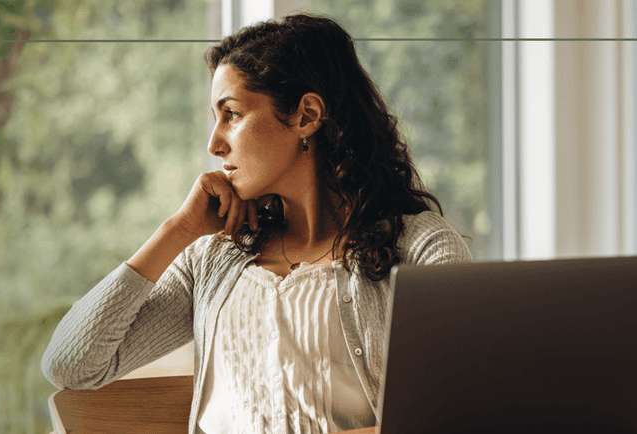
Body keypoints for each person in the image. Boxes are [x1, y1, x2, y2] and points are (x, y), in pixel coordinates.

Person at [41, 13, 472, 434]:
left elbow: (460, 404)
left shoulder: (418, 248)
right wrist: (178, 230)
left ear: (306, 116)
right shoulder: (211, 260)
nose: (214, 144)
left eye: (231, 114)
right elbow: (70, 365)